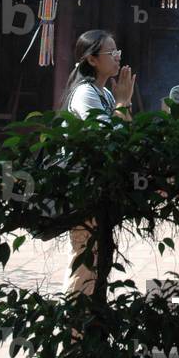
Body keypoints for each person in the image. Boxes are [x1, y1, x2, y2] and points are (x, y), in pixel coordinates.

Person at [59, 30, 136, 295]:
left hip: (101, 188)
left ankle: (91, 329)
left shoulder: (103, 93)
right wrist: (124, 102)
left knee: (98, 265)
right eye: (111, 53)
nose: (117, 58)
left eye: (118, 53)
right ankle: (75, 331)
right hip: (85, 189)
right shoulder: (85, 94)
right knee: (85, 266)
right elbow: (109, 138)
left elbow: (127, 137)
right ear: (92, 60)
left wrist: (123, 103)